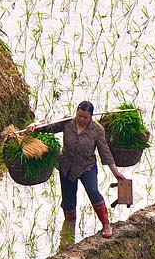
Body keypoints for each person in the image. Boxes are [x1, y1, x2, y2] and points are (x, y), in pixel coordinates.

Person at [26, 101, 126, 238]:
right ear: (76, 112)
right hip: (66, 165)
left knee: (93, 191)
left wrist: (115, 172)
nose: (81, 119)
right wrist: (36, 126)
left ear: (91, 116)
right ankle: (69, 230)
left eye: (85, 117)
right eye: (79, 115)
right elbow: (49, 126)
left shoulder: (97, 130)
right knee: (68, 200)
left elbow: (105, 152)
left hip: (86, 167)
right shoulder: (67, 121)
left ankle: (106, 224)